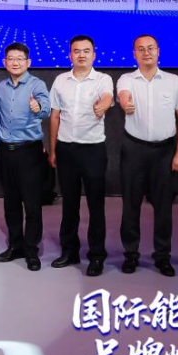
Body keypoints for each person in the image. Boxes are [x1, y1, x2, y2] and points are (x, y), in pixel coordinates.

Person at [117, 34, 178, 277]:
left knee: (163, 206)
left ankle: (162, 256)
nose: (146, 52)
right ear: (134, 54)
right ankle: (131, 254)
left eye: (150, 48)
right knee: (131, 204)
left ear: (158, 51)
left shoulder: (173, 81)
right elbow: (123, 95)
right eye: (141, 49)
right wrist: (125, 103)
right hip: (134, 149)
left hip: (164, 151)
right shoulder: (126, 79)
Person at [49, 34, 113, 276]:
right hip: (66, 149)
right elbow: (55, 116)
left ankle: (97, 255)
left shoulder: (103, 79)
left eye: (86, 51)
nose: (82, 55)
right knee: (69, 204)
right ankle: (69, 251)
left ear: (94, 55)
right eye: (77, 51)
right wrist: (53, 149)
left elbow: (108, 96)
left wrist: (103, 104)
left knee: (96, 205)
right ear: (70, 55)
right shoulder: (60, 80)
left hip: (93, 150)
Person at [0, 42, 50, 271]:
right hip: (5, 151)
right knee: (11, 203)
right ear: (4, 62)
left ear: (28, 62)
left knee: (32, 204)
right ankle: (15, 245)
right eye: (11, 58)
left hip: (29, 152)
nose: (15, 62)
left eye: (20, 59)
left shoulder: (37, 84)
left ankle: (31, 250)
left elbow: (46, 107)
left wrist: (38, 108)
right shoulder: (1, 86)